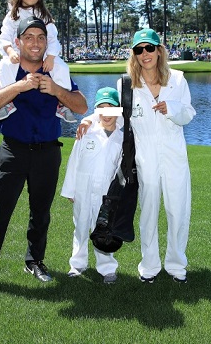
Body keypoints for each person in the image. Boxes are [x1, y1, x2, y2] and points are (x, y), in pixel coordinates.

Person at [0, 16, 88, 300]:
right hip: (13, 151)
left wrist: (56, 90)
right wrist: (19, 87)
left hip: (47, 152)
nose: (35, 43)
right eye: (29, 37)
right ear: (18, 42)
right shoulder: (6, 69)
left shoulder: (56, 71)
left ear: (47, 43)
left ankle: (34, 261)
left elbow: (81, 105)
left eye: (41, 37)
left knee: (41, 214)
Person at [78, 28, 195, 284]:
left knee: (178, 210)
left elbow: (188, 113)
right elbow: (112, 113)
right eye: (139, 49)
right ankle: (149, 266)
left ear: (159, 51)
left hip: (175, 154)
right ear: (134, 54)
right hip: (144, 157)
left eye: (149, 48)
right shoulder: (126, 84)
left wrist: (171, 108)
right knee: (148, 212)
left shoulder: (177, 79)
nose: (145, 54)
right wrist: (88, 119)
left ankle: (176, 265)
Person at [61, 87, 124, 284]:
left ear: (119, 110)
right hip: (83, 187)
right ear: (96, 111)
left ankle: (107, 268)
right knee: (80, 226)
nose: (106, 113)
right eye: (101, 108)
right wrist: (71, 189)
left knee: (104, 227)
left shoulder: (122, 138)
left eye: (111, 108)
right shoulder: (86, 132)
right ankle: (77, 264)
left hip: (106, 192)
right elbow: (74, 161)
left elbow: (120, 171)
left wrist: (118, 196)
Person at [0, 0, 75, 122]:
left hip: (43, 53)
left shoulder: (44, 15)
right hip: (17, 54)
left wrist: (51, 57)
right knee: (5, 65)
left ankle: (62, 105)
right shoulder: (13, 15)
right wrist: (10, 51)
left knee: (62, 67)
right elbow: (4, 37)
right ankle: (7, 102)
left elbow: (52, 39)